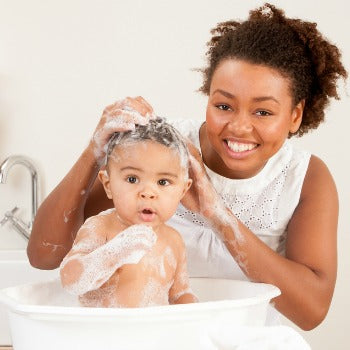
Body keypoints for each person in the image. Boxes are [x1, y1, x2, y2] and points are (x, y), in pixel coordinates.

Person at [28, 3, 347, 329]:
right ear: (207, 96)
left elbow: (311, 311)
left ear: (295, 115)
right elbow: (43, 256)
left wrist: (217, 215)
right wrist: (93, 151)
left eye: (262, 112)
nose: (238, 127)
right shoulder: (160, 152)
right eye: (223, 105)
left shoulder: (304, 177)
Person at [59, 119, 197, 307]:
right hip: (100, 333)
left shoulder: (174, 241)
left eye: (163, 182)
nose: (148, 192)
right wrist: (114, 252)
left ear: (183, 190)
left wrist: (198, 316)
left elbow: (180, 294)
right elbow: (70, 279)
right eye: (132, 179)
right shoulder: (101, 227)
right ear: (108, 184)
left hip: (150, 334)